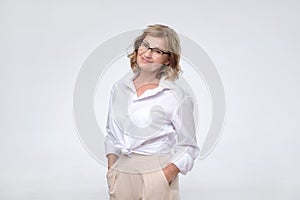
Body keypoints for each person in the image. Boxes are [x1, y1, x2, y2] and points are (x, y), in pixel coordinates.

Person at [105, 24, 200, 200]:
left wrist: (163, 176)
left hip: (157, 169)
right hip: (122, 170)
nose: (147, 53)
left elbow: (189, 146)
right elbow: (112, 134)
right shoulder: (119, 88)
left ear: (168, 60)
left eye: (157, 51)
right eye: (145, 45)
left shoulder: (176, 97)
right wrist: (112, 170)